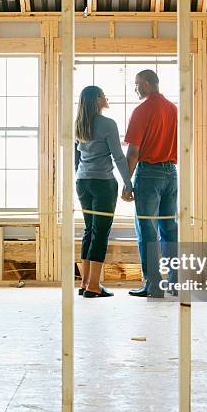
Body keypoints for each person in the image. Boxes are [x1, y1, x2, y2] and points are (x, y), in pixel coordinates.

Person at [122, 70, 178, 298]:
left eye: (136, 85)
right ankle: (174, 284)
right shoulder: (173, 109)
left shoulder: (141, 110)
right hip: (171, 173)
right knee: (170, 229)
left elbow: (133, 152)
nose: (135, 89)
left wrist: (127, 183)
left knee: (147, 231)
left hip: (148, 174)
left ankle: (153, 285)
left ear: (146, 84)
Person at [75, 85, 134, 298]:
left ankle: (84, 283)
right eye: (103, 95)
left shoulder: (79, 124)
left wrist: (81, 175)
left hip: (83, 182)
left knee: (89, 231)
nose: (106, 97)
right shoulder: (108, 124)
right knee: (100, 234)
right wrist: (128, 183)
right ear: (98, 99)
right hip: (103, 184)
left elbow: (76, 158)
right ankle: (94, 286)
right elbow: (119, 157)